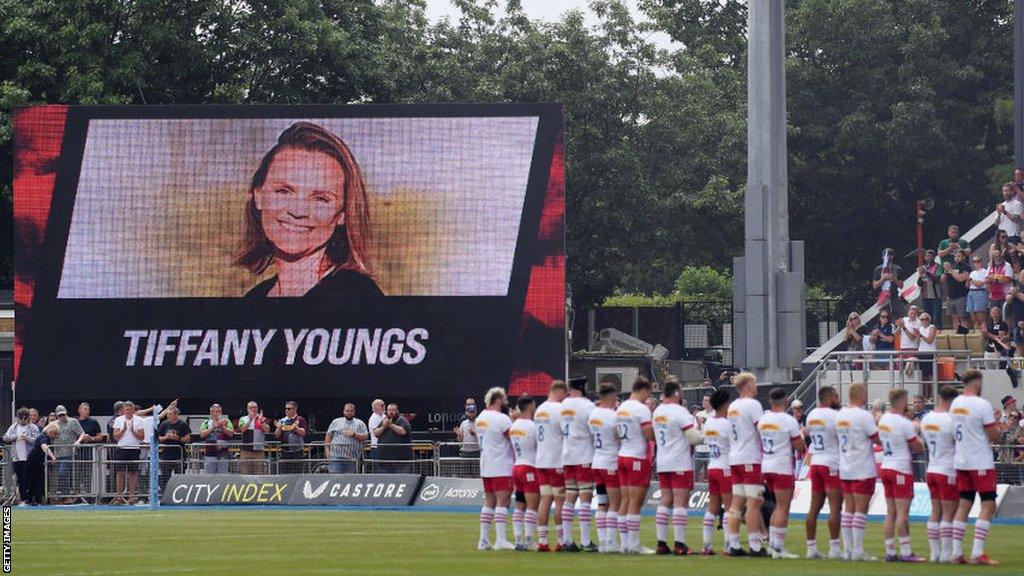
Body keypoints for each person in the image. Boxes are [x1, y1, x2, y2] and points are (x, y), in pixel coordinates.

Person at [238, 122, 383, 298]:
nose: (298, 211)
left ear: (343, 214)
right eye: (283, 191)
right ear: (259, 196)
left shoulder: (357, 296)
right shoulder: (254, 298)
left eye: (321, 199)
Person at [949, 370, 1001, 565]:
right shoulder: (982, 404)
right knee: (988, 504)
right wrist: (996, 425)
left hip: (961, 460)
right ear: (977, 383)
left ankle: (956, 552)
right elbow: (994, 435)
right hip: (980, 460)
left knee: (964, 504)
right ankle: (977, 552)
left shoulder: (956, 404)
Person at [652, 380, 701, 556]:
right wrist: (707, 436)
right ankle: (679, 544)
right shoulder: (680, 412)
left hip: (663, 460)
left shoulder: (657, 411)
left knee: (665, 500)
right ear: (676, 393)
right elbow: (693, 437)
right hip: (680, 461)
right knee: (680, 503)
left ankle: (661, 543)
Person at [878, 389, 926, 562]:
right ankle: (906, 552)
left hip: (886, 465)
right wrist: (917, 433)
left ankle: (890, 551)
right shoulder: (904, 423)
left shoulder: (884, 419)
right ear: (901, 402)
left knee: (891, 512)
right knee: (902, 513)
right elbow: (917, 447)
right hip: (900, 469)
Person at [836, 382, 882, 561]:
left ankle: (848, 550)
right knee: (861, 509)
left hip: (845, 465)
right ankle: (857, 550)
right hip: (862, 466)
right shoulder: (863, 416)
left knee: (849, 509)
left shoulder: (840, 415)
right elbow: (876, 439)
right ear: (860, 394)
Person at [757, 387, 805, 559]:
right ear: (785, 401)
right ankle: (777, 548)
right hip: (782, 467)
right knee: (783, 507)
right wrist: (802, 438)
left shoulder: (763, 420)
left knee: (777, 507)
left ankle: (773, 545)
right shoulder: (788, 421)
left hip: (766, 466)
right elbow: (799, 446)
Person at [725, 372, 767, 557]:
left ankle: (733, 543)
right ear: (748, 385)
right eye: (754, 383)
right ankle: (755, 546)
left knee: (736, 503)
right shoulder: (753, 404)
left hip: (735, 457)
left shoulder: (733, 406)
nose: (756, 387)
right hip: (749, 458)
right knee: (754, 502)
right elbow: (762, 430)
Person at [616, 377, 656, 554]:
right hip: (636, 458)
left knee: (625, 500)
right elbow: (648, 435)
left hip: (623, 455)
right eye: (649, 393)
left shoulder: (622, 407)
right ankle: (634, 544)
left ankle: (625, 543)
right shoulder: (642, 409)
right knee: (635, 502)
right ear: (644, 390)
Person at [804, 385, 844, 560]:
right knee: (835, 506)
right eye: (836, 396)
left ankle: (811, 547)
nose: (838, 399)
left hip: (816, 461)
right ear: (829, 398)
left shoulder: (812, 415)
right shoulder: (835, 416)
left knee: (814, 507)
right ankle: (834, 548)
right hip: (831, 462)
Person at [921, 385, 960, 563]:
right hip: (947, 469)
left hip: (932, 468)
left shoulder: (927, 418)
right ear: (952, 401)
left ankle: (934, 553)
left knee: (935, 510)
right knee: (949, 512)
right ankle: (946, 552)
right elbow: (958, 442)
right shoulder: (951, 420)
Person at [559, 376, 596, 552]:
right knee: (585, 498)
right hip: (583, 455)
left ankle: (567, 540)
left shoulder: (563, 405)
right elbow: (594, 428)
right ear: (582, 387)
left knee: (569, 497)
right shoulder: (587, 405)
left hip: (567, 455)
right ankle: (586, 541)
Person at [475, 387, 514, 551]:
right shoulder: (502, 419)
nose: (506, 403)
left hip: (486, 464)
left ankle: (483, 540)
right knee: (502, 501)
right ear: (498, 400)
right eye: (504, 400)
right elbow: (515, 437)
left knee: (489, 501)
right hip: (501, 465)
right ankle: (500, 539)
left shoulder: (480, 418)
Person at [587, 382, 622, 553]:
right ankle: (611, 541)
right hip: (610, 462)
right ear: (611, 397)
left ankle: (602, 542)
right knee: (615, 503)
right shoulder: (612, 416)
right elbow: (620, 436)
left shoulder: (593, 414)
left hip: (597, 461)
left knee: (602, 503)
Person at [534, 380, 568, 552]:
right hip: (556, 462)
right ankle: (561, 540)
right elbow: (567, 434)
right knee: (560, 501)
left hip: (541, 461)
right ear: (560, 391)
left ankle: (542, 541)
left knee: (545, 500)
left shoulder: (540, 409)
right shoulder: (560, 410)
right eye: (565, 394)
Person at [700, 389, 733, 555]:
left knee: (712, 508)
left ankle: (706, 545)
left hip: (712, 467)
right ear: (725, 404)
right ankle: (728, 546)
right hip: (725, 468)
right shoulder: (727, 424)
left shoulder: (709, 423)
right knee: (729, 508)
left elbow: (705, 439)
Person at [509, 395, 540, 551]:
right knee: (532, 506)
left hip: (517, 466)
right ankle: (528, 539)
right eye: (533, 405)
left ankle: (518, 539)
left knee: (520, 505)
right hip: (529, 467)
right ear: (529, 406)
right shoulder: (532, 426)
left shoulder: (514, 426)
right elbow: (539, 446)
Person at [111, 401, 146, 505]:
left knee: (133, 473)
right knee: (120, 473)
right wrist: (123, 430)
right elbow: (115, 436)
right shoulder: (118, 420)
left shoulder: (139, 420)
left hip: (134, 449)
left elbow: (142, 437)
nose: (129, 412)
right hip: (122, 449)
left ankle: (131, 497)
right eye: (127, 409)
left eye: (131, 410)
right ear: (124, 410)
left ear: (133, 410)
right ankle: (119, 497)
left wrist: (132, 430)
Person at [51, 405, 87, 504]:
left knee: (62, 473)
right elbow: (45, 432)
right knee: (62, 475)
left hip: (69, 453)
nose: (62, 416)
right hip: (57, 454)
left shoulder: (73, 422)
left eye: (63, 414)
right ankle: (65, 496)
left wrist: (78, 441)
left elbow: (82, 433)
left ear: (66, 413)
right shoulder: (54, 424)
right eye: (60, 415)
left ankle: (66, 496)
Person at [4, 408, 40, 504]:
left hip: (29, 457)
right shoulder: (13, 427)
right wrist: (15, 437)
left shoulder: (33, 427)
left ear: (28, 418)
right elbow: (5, 437)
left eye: (25, 418)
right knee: (20, 479)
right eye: (21, 418)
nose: (23, 420)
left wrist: (26, 438)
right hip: (16, 457)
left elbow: (36, 440)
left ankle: (30, 498)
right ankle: (23, 499)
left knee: (29, 478)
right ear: (18, 418)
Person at [325, 403, 368, 473]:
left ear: (354, 412)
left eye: (351, 411)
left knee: (349, 480)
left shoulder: (360, 423)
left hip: (352, 458)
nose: (349, 413)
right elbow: (328, 435)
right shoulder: (336, 422)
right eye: (347, 411)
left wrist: (354, 434)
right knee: (335, 479)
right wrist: (327, 450)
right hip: (336, 457)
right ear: (343, 411)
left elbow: (365, 437)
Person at [25, 423, 59, 505]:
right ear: (50, 432)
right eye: (55, 434)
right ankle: (34, 500)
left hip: (37, 463)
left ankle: (34, 500)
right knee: (36, 482)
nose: (56, 436)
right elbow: (44, 446)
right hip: (33, 463)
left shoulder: (44, 437)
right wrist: (53, 456)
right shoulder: (44, 438)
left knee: (37, 481)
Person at [372, 403, 411, 473]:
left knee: (400, 480)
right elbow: (376, 433)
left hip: (400, 461)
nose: (391, 412)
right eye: (389, 410)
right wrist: (384, 427)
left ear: (397, 411)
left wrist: (390, 425)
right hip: (384, 460)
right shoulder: (385, 420)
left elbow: (403, 431)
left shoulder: (402, 420)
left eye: (393, 410)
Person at [942, 248, 972, 334]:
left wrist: (950, 270)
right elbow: (942, 280)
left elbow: (960, 278)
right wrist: (945, 270)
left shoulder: (966, 266)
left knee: (963, 319)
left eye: (959, 256)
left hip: (961, 296)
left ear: (963, 257)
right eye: (955, 256)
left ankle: (965, 338)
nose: (957, 258)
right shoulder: (952, 265)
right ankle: (957, 339)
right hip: (951, 297)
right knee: (954, 319)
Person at [236, 401, 270, 474]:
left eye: (255, 407)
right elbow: (242, 430)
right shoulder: (243, 419)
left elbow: (267, 430)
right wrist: (250, 420)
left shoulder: (262, 419)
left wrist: (261, 421)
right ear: (248, 409)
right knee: (245, 472)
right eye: (251, 407)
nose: (254, 409)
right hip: (245, 451)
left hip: (259, 451)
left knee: (259, 472)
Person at [156, 406, 191, 477]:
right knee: (165, 476)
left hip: (179, 455)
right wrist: (166, 437)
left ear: (176, 415)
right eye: (167, 414)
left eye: (170, 414)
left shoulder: (183, 424)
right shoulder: (164, 424)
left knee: (179, 476)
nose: (168, 416)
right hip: (166, 455)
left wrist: (178, 438)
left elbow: (188, 439)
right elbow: (158, 438)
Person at [199, 404, 234, 474]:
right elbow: (202, 434)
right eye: (216, 412)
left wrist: (222, 427)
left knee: (222, 477)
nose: (218, 413)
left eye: (219, 412)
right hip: (210, 454)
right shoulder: (205, 423)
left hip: (223, 454)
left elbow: (231, 433)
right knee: (209, 477)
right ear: (211, 413)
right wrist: (212, 428)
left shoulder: (227, 421)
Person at [275, 401, 308, 473]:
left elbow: (303, 433)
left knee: (297, 471)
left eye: (289, 408)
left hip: (297, 451)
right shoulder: (282, 420)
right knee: (284, 472)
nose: (286, 410)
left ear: (295, 409)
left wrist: (296, 429)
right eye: (286, 409)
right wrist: (279, 428)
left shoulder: (300, 419)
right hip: (285, 451)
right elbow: (277, 435)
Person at [873, 248, 905, 319]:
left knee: (903, 317)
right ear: (882, 257)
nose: (887, 257)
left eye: (889, 255)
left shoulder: (897, 269)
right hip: (883, 299)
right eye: (885, 255)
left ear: (892, 256)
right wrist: (883, 278)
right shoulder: (878, 269)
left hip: (894, 297)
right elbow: (875, 286)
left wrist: (893, 279)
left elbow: (901, 285)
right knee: (885, 320)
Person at [919, 249, 943, 328]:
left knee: (936, 319)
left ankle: (937, 337)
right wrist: (920, 276)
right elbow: (919, 283)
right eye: (926, 256)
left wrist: (927, 272)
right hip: (925, 297)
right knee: (927, 319)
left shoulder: (938, 266)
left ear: (934, 257)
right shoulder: (923, 267)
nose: (928, 258)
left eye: (930, 256)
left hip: (935, 297)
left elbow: (937, 280)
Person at [896, 305, 921, 375]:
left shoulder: (918, 322)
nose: (912, 315)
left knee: (910, 369)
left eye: (914, 313)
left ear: (917, 314)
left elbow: (912, 337)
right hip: (902, 348)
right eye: (911, 313)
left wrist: (904, 327)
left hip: (912, 349)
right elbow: (896, 334)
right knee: (899, 368)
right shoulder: (904, 319)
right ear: (908, 312)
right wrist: (899, 326)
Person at [996, 181, 1023, 246]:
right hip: (1001, 237)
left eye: (1007, 191)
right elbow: (996, 223)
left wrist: (1004, 212)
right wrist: (999, 214)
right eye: (1004, 191)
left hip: (1012, 236)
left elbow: (1017, 219)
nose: (1005, 193)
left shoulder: (1017, 204)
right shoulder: (1001, 205)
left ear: (1012, 192)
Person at [918, 313, 938, 396]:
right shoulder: (920, 328)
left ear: (929, 320)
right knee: (923, 375)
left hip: (930, 353)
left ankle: (933, 394)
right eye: (922, 319)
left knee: (930, 375)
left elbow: (929, 340)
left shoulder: (932, 327)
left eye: (926, 319)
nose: (924, 321)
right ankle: (925, 394)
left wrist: (920, 335)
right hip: (921, 352)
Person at [967, 255, 990, 328]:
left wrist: (970, 279)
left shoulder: (985, 272)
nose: (976, 263)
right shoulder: (972, 273)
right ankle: (976, 336)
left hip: (980, 292)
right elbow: (967, 286)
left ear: (981, 261)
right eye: (974, 261)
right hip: (971, 293)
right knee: (973, 318)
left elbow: (980, 284)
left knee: (981, 318)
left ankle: (984, 335)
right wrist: (967, 280)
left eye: (978, 261)